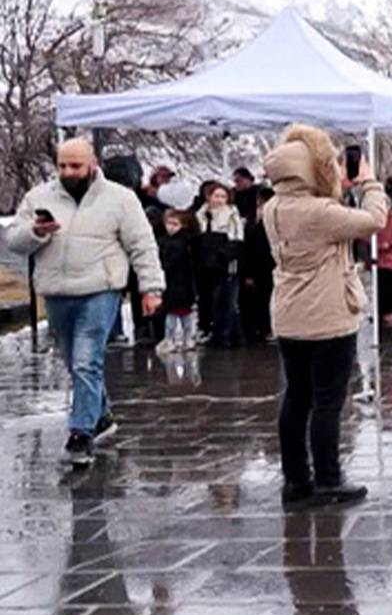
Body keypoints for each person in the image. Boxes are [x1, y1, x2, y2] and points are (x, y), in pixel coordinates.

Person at [5, 139, 163, 467]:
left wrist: (151, 288)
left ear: (92, 164)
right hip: (57, 291)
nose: (68, 172)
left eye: (75, 166)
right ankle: (100, 414)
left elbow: (142, 245)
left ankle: (81, 434)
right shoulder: (39, 197)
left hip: (100, 289)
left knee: (86, 360)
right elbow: (14, 241)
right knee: (72, 360)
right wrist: (36, 231)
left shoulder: (120, 199)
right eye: (62, 165)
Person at [261, 125, 390, 507]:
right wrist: (368, 183)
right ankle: (329, 479)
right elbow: (373, 220)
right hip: (328, 316)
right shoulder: (320, 212)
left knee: (296, 397)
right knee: (328, 401)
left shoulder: (273, 208)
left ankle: (296, 481)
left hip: (289, 314)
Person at [195, 183, 245, 347]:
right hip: (203, 265)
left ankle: (227, 335)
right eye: (216, 196)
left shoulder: (231, 214)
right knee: (207, 300)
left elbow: (237, 240)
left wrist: (222, 256)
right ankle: (210, 330)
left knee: (226, 301)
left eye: (223, 196)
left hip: (224, 264)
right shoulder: (200, 215)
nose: (219, 200)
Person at [157, 210, 200, 354]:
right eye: (169, 223)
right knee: (171, 315)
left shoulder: (185, 242)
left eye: (175, 224)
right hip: (170, 283)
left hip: (183, 282)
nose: (171, 227)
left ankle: (187, 338)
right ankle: (170, 339)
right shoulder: (162, 241)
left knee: (184, 314)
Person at [239, 187, 277, 345]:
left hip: (271, 265)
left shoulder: (277, 220)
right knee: (254, 299)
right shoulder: (250, 222)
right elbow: (247, 247)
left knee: (269, 298)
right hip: (255, 265)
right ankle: (256, 330)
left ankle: (267, 328)